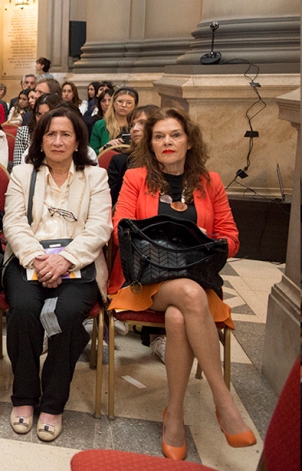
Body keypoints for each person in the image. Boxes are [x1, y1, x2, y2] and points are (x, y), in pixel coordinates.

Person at [108, 108, 255, 459]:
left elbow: (231, 239)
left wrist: (206, 240)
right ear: (151, 145)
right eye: (159, 137)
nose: (167, 142)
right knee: (188, 296)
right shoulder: (136, 178)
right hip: (148, 281)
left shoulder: (211, 182)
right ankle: (224, 401)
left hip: (197, 279)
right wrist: (160, 237)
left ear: (189, 141)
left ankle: (174, 414)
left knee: (179, 317)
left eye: (175, 135)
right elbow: (119, 229)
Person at [2, 106, 112, 442]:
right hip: (28, 259)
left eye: (66, 134)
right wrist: (38, 258)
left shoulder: (95, 177)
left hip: (78, 262)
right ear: (40, 139)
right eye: (50, 134)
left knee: (65, 315)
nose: (58, 141)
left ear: (78, 140)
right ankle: (23, 396)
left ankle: (52, 402)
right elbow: (13, 222)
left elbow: (98, 228)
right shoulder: (23, 174)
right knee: (23, 310)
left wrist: (64, 260)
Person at [107, 104, 159, 203]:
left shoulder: (169, 160)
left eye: (142, 123)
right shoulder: (120, 161)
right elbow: (111, 202)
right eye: (132, 125)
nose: (135, 129)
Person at [13, 93, 62, 166]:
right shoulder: (24, 132)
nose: (42, 119)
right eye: (39, 114)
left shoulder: (63, 136)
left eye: (46, 114)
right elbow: (17, 166)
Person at [90, 87, 138, 153]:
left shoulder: (139, 126)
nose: (124, 105)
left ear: (135, 106)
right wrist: (107, 146)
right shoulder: (100, 125)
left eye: (129, 103)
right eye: (120, 101)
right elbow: (92, 153)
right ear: (113, 103)